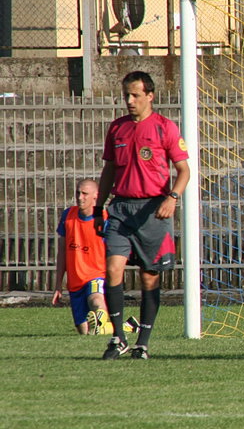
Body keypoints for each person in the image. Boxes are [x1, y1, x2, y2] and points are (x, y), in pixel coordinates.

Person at [95, 71, 191, 360]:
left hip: (153, 211)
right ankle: (117, 338)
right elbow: (109, 170)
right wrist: (100, 205)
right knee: (113, 268)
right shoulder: (117, 129)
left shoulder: (165, 128)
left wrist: (172, 198)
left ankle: (143, 343)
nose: (129, 100)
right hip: (121, 208)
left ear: (150, 96)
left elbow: (184, 171)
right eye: (126, 95)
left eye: (135, 95)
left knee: (150, 277)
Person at [53, 179, 115, 335]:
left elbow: (114, 253)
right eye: (78, 193)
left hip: (97, 276)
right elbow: (62, 251)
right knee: (85, 332)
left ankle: (103, 322)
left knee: (96, 300)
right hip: (75, 282)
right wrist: (58, 284)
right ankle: (127, 327)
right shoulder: (68, 215)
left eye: (85, 194)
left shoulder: (105, 219)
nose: (80, 197)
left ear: (96, 196)